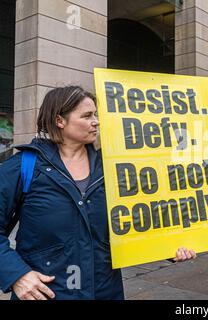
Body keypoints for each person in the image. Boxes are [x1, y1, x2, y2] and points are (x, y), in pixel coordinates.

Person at [0, 86, 196, 300]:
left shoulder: (112, 167)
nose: (96, 121)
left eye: (96, 115)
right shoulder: (22, 167)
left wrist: (168, 248)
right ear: (59, 120)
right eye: (87, 116)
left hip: (105, 291)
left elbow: (136, 220)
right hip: (47, 293)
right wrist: (17, 275)